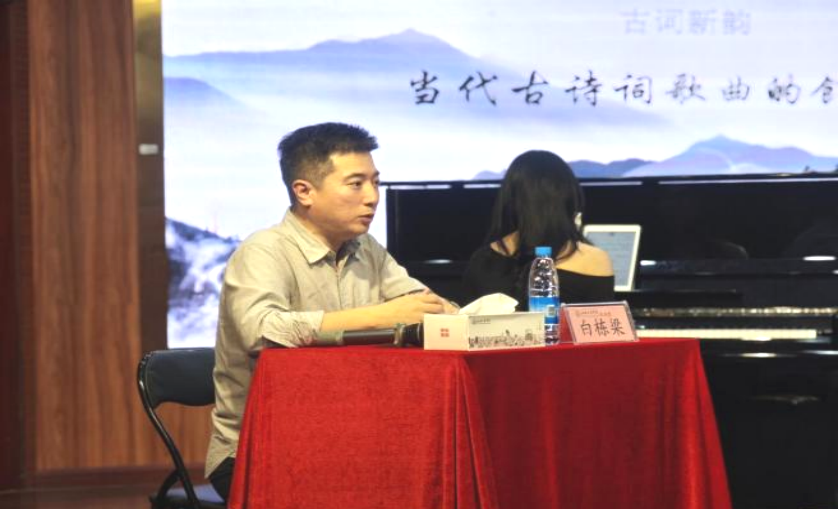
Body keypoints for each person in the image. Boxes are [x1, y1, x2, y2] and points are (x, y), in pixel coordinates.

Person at [206, 122, 456, 500]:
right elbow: (260, 330)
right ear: (304, 191)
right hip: (260, 447)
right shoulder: (263, 250)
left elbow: (422, 304)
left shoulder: (366, 248)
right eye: (356, 184)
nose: (372, 197)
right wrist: (379, 316)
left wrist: (448, 313)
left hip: (352, 439)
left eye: (375, 182)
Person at [462, 150, 615, 308]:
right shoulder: (594, 260)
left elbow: (465, 320)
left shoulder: (483, 259)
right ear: (569, 196)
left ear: (510, 197)